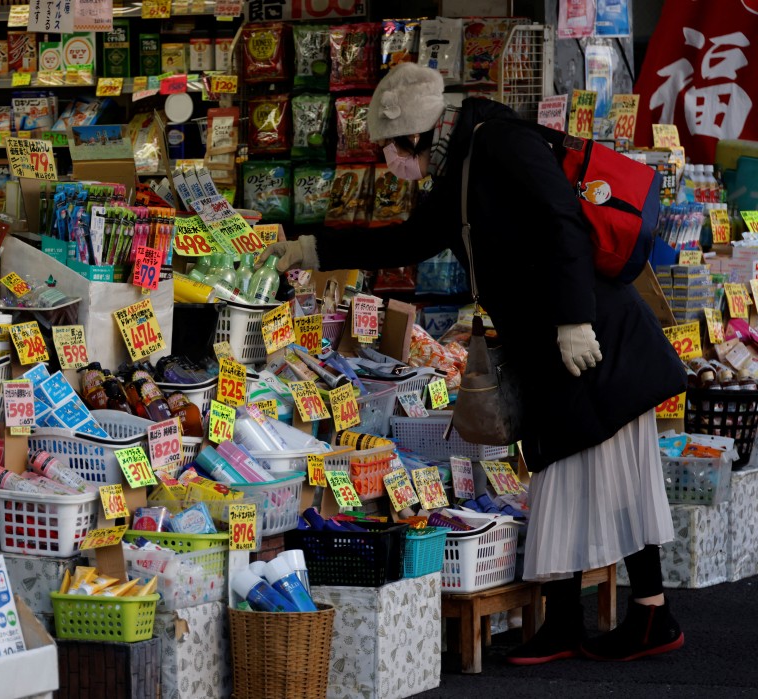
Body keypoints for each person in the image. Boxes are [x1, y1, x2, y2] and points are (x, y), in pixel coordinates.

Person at [259, 63, 687, 664]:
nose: (390, 164)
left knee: (597, 469)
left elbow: (562, 218)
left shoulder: (499, 143)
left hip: (589, 333)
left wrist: (573, 319)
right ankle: (622, 616)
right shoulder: (459, 164)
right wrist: (311, 246)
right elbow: (408, 240)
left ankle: (634, 617)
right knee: (567, 466)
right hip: (550, 340)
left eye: (389, 149)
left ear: (415, 134)